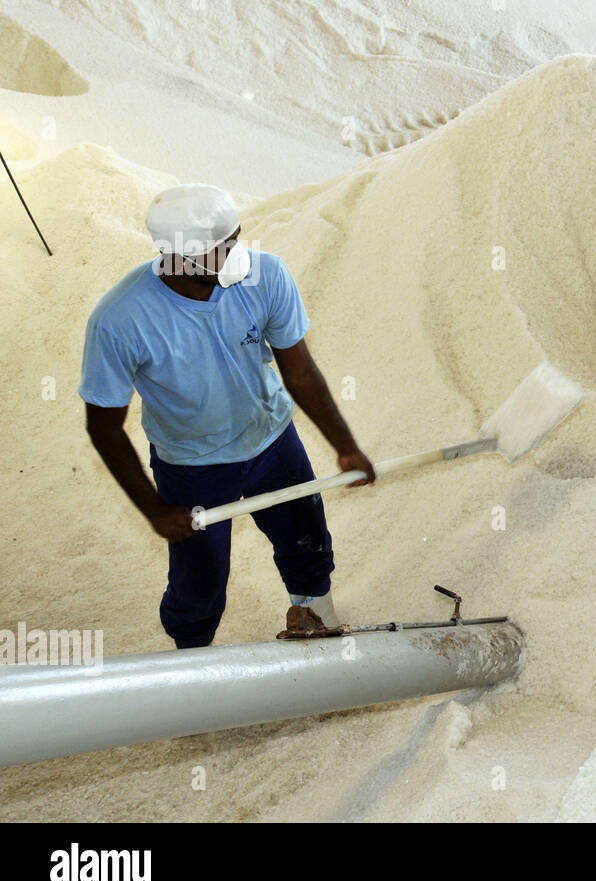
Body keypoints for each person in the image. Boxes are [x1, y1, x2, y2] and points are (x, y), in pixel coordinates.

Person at [79, 183, 375, 647]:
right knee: (200, 583)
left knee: (306, 539)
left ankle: (314, 612)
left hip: (273, 443)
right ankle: (192, 656)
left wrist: (345, 446)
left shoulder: (265, 275)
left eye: (236, 237)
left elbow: (298, 371)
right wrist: (154, 509)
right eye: (224, 247)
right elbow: (103, 427)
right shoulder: (119, 320)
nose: (238, 252)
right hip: (192, 468)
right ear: (179, 256)